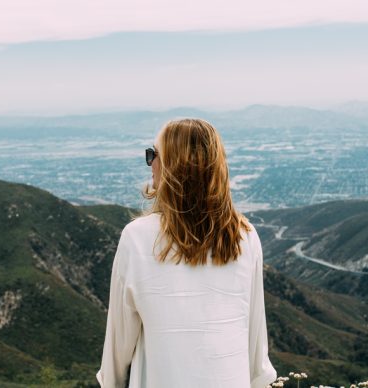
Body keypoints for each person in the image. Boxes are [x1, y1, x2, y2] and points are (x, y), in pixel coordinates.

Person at [96, 118, 277, 388]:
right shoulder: (245, 237)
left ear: (172, 166)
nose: (150, 164)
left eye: (153, 155)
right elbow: (256, 350)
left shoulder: (137, 238)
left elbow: (117, 351)